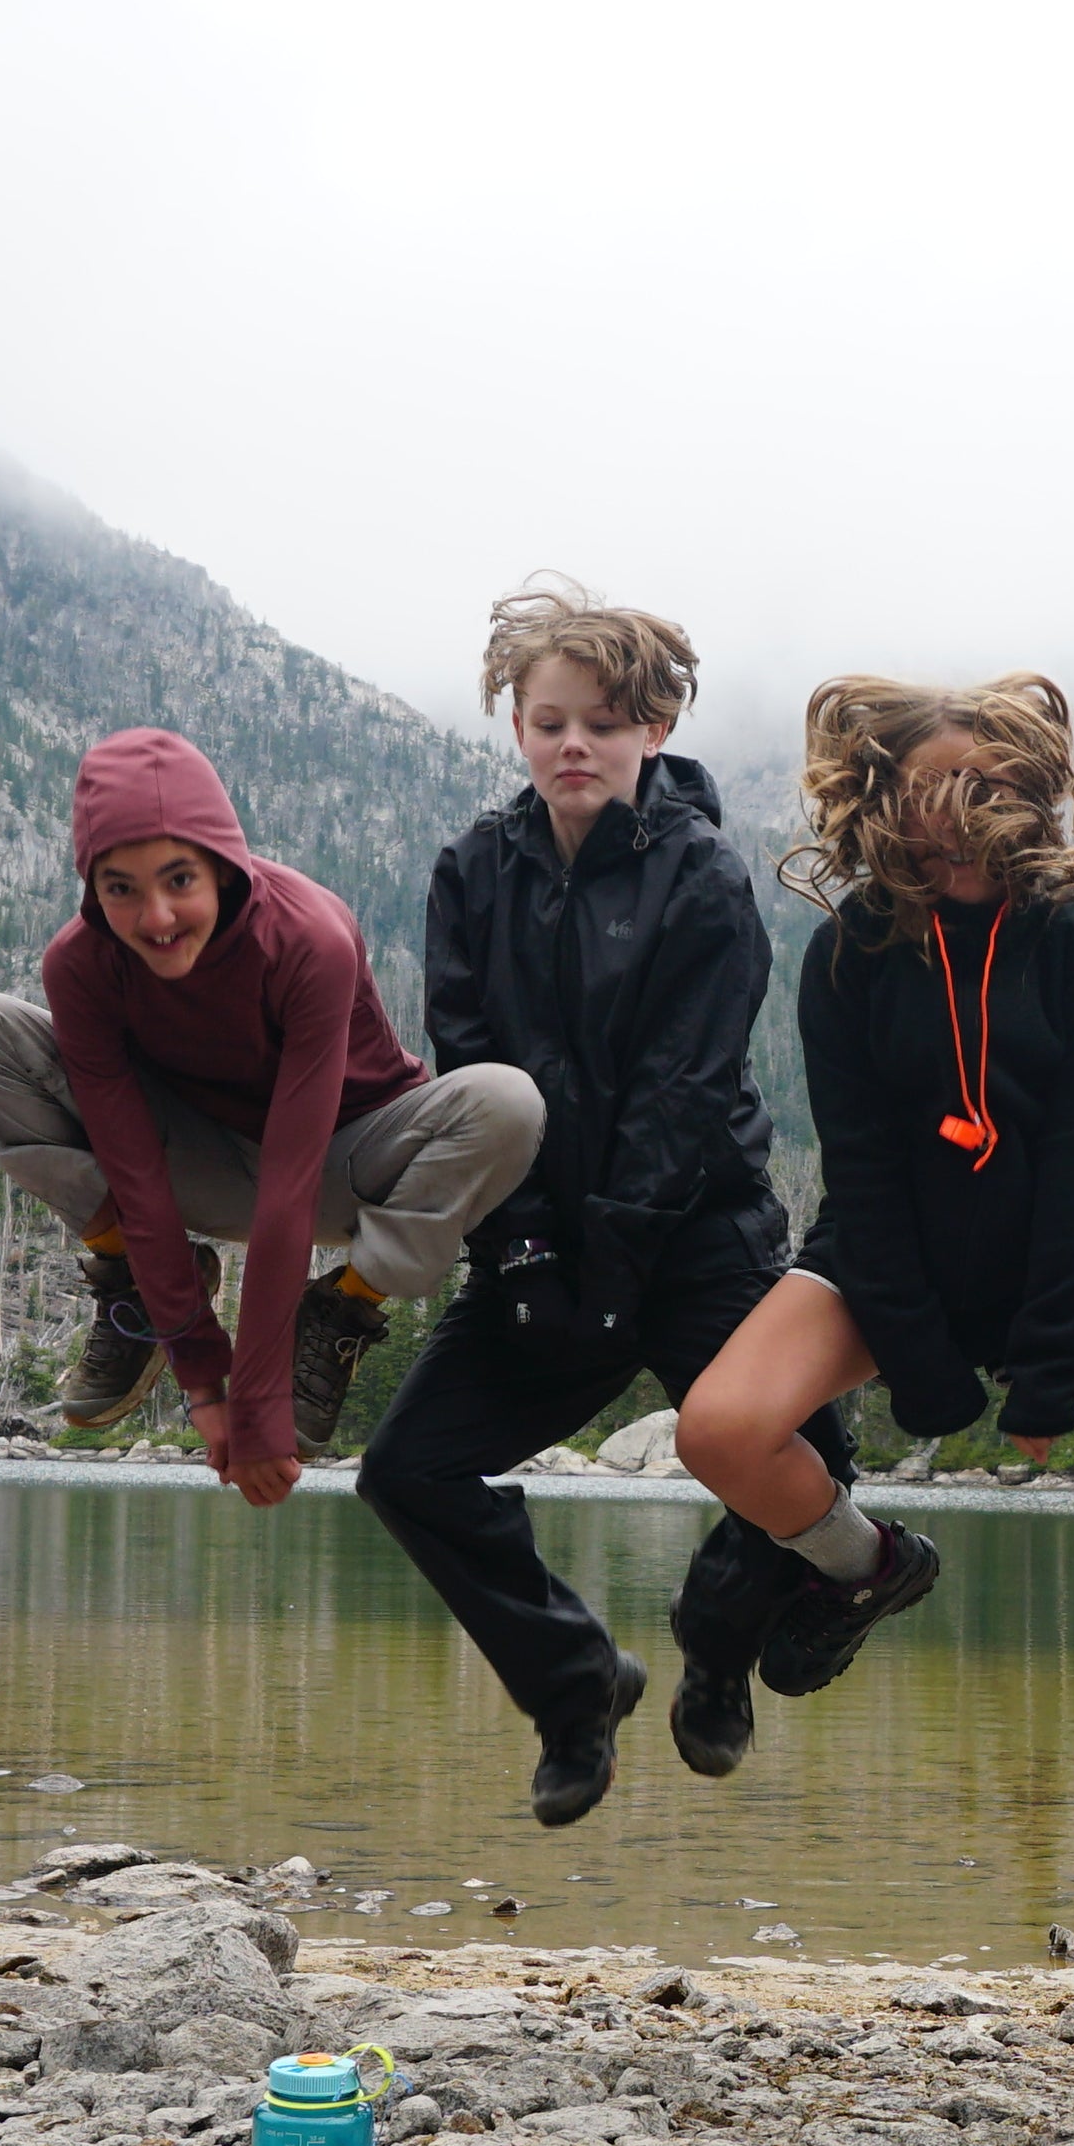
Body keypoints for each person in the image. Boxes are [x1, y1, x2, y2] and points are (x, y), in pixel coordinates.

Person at [676, 679, 1074, 1703]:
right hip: (880, 1266)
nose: (953, 817)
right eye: (930, 790)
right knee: (717, 1431)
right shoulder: (846, 956)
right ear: (883, 798)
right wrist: (920, 1363)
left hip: (1067, 1257)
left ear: (1026, 795)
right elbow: (863, 1178)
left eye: (983, 787)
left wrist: (1048, 1372)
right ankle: (860, 1569)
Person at [350, 585, 844, 1823]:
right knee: (407, 1470)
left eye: (606, 722)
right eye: (550, 720)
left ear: (655, 729)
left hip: (696, 1236)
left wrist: (609, 1280)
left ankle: (718, 1638)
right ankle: (576, 1686)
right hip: (536, 1240)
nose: (576, 744)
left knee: (816, 1459)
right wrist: (519, 1258)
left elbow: (683, 1097)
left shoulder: (705, 881)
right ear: (517, 725)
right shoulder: (472, 870)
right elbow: (467, 1070)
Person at [0, 730, 541, 1500]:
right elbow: (136, 1171)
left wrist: (256, 1407)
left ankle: (345, 1307)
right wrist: (201, 1378)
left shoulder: (308, 938)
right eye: (121, 888)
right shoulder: (80, 965)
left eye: (179, 879)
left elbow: (289, 1184)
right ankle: (138, 1281)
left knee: (506, 1101)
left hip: (346, 1164)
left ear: (223, 864)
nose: (155, 917)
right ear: (92, 888)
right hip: (195, 1161)